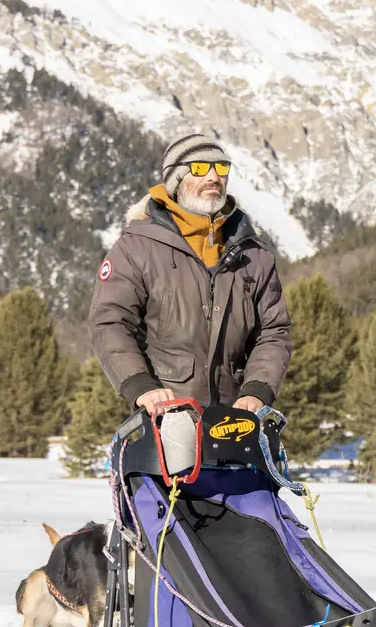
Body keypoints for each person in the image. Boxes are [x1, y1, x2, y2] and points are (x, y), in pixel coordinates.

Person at [89, 132, 292, 415]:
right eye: (199, 168)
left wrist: (257, 390)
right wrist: (141, 386)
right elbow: (110, 322)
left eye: (221, 168)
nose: (213, 177)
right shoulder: (135, 248)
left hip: (236, 418)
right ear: (176, 180)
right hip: (164, 415)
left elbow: (273, 332)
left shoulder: (254, 255)